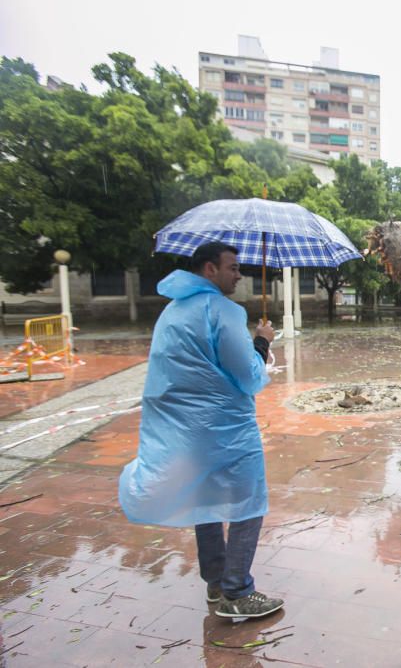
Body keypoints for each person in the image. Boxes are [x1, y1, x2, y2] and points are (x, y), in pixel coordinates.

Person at [118, 242, 282, 620]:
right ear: (210, 269)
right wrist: (262, 341)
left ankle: (216, 582)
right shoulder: (223, 311)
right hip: (226, 429)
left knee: (205, 498)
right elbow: (246, 375)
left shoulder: (172, 312)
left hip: (183, 431)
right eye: (233, 267)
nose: (239, 275)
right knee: (247, 502)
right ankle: (238, 590)